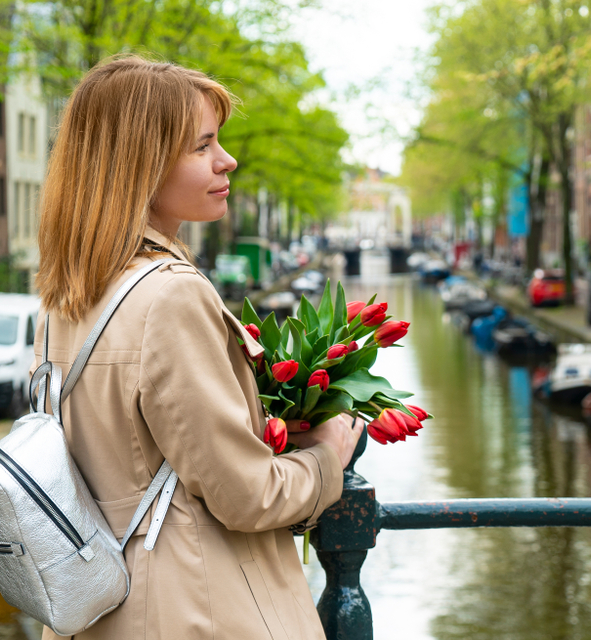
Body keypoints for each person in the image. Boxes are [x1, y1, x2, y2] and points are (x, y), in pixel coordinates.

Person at [33, 56, 363, 640]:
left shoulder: (64, 297)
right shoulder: (171, 296)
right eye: (202, 145)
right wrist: (328, 456)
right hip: (194, 611)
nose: (226, 159)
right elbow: (246, 496)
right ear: (141, 166)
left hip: (101, 613)